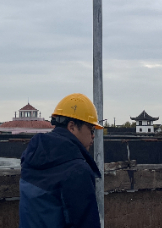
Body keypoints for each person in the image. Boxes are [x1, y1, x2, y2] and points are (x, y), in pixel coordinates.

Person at [19, 93, 104, 228]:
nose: (93, 136)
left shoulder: (30, 158)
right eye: (91, 129)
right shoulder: (77, 170)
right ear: (72, 127)